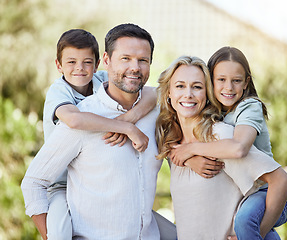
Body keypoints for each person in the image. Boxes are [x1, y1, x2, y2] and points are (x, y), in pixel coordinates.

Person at [21, 23, 175, 239]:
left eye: (143, 60)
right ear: (107, 60)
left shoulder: (156, 110)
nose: (135, 67)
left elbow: (156, 93)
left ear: (96, 65)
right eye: (126, 58)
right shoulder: (79, 114)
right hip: (60, 186)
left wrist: (129, 119)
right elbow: (34, 182)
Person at [156, 56, 287, 240]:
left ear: (207, 94)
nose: (188, 94)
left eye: (197, 87)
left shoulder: (220, 136)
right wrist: (188, 157)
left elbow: (281, 181)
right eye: (180, 86)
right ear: (168, 93)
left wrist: (257, 233)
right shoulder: (173, 143)